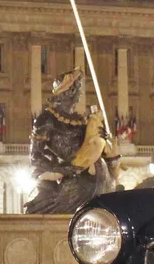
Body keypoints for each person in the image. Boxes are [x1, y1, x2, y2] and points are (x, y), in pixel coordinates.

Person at [23, 69, 121, 214]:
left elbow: (94, 149)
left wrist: (105, 143)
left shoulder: (82, 120)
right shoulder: (47, 119)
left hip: (102, 178)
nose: (80, 94)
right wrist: (62, 170)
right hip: (75, 179)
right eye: (78, 89)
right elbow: (35, 157)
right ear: (68, 91)